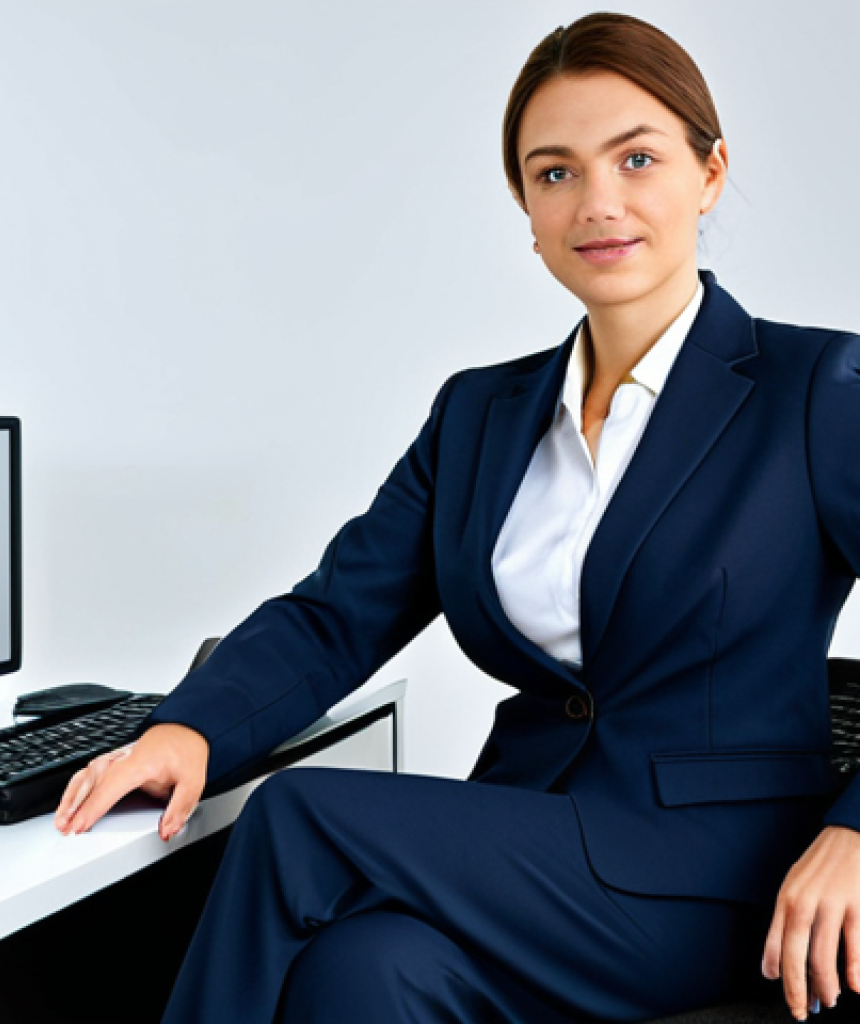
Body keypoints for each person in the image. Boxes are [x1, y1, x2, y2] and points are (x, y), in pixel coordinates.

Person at [54, 12, 860, 1023]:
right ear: (525, 207)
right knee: (367, 970)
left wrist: (857, 830)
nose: (597, 203)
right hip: (530, 841)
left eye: (636, 158)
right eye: (554, 172)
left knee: (300, 814)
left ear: (709, 172)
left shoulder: (815, 387)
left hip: (719, 875)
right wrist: (189, 724)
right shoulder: (481, 413)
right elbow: (337, 612)